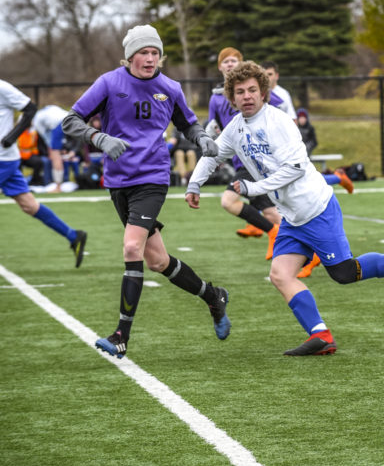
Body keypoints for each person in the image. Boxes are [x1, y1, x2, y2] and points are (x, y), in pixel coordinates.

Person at [185, 61, 384, 356]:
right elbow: (212, 154)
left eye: (252, 90)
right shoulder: (235, 127)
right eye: (240, 91)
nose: (247, 96)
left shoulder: (279, 122)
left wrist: (253, 188)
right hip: (293, 217)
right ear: (232, 97)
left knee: (344, 273)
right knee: (280, 274)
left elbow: (295, 168)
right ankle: (321, 335)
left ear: (263, 92)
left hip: (317, 209)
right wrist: (194, 184)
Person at [62, 24, 230, 359]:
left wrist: (202, 138)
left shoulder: (170, 87)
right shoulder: (109, 82)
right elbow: (70, 120)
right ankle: (213, 296)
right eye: (144, 52)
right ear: (129, 57)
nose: (150, 58)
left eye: (155, 53)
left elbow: (187, 123)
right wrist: (99, 138)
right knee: (157, 260)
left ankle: (122, 335)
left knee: (131, 246)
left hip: (153, 179)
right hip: (118, 181)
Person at [0, 79, 87, 267]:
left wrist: (11, 138)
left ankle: (57, 184)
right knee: (28, 204)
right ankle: (73, 235)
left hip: (3, 158)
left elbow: (30, 108)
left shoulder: (2, 88)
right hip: (7, 159)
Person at [209, 47, 282, 252]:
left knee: (228, 201)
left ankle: (272, 233)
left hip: (257, 158)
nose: (230, 64)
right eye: (226, 61)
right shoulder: (215, 98)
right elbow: (215, 127)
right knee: (272, 213)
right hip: (240, 159)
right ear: (219, 66)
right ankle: (310, 251)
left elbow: (275, 104)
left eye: (234, 60)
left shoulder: (253, 88)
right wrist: (211, 133)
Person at [297, 107, 354, 194]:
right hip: (296, 156)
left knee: (308, 179)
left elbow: (314, 142)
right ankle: (338, 177)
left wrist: (305, 148)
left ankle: (338, 177)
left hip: (302, 156)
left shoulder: (308, 128)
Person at [32, 104, 70, 192]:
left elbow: (46, 137)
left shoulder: (36, 120)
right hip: (71, 117)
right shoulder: (44, 111)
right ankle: (58, 184)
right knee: (55, 153)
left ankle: (58, 186)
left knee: (55, 155)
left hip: (60, 124)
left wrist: (51, 150)